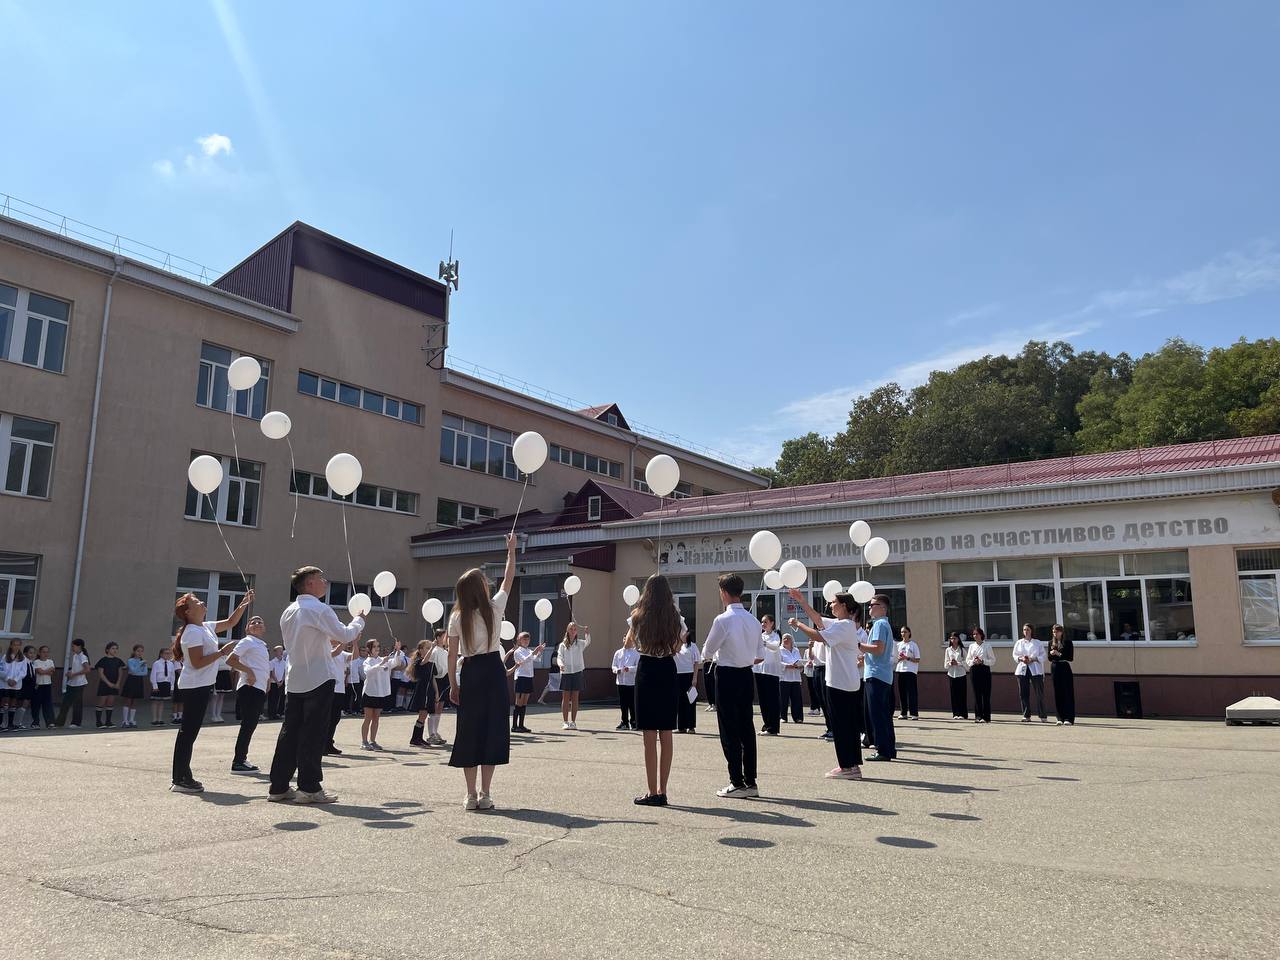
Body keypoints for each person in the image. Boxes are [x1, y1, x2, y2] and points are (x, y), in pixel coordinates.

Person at [268, 568, 364, 804]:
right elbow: (343, 634)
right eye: (321, 579)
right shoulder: (319, 609)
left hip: (296, 679)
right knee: (313, 734)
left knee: (289, 733)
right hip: (318, 678)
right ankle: (309, 788)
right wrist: (359, 621)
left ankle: (278, 786)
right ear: (310, 583)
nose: (325, 582)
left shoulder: (288, 611)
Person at [447, 532, 517, 811]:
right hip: (493, 670)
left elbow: (452, 656)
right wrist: (511, 550)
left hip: (471, 671)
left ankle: (470, 795)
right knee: (493, 730)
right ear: (481, 589)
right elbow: (509, 578)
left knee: (469, 730)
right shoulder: (494, 607)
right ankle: (486, 793)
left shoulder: (456, 617)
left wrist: (453, 685)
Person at [171, 590, 253, 793]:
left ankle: (182, 775)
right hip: (194, 686)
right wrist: (223, 652)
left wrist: (244, 602)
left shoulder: (205, 627)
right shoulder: (191, 632)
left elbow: (231, 622)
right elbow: (198, 663)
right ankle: (180, 778)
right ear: (188, 612)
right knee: (188, 733)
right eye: (196, 601)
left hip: (201, 685)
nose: (202, 602)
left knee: (189, 732)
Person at [701, 573, 765, 799]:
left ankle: (736, 781)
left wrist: (722, 654)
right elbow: (760, 655)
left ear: (725, 593)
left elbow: (707, 651)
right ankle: (751, 781)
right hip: (747, 675)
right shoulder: (754, 620)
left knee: (729, 728)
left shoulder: (723, 620)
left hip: (727, 674)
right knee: (747, 727)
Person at [788, 590, 864, 779]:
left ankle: (847, 767)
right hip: (846, 683)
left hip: (840, 684)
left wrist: (798, 624)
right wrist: (802, 601)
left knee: (841, 726)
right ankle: (852, 765)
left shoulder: (845, 626)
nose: (830, 605)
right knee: (848, 726)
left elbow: (818, 636)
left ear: (844, 605)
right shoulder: (842, 624)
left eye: (833, 602)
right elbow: (819, 620)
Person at [629, 574, 684, 805]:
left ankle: (652, 792)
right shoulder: (676, 617)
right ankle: (663, 790)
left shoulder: (637, 616)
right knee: (667, 733)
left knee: (649, 735)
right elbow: (679, 645)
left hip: (647, 670)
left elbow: (632, 643)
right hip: (668, 670)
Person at [226, 615, 271, 772]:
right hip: (249, 688)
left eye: (260, 622)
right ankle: (238, 761)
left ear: (264, 628)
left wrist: (267, 682)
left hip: (257, 688)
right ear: (247, 628)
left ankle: (241, 759)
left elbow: (262, 666)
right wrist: (249, 671)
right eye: (253, 622)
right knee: (248, 725)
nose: (257, 623)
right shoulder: (247, 641)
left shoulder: (261, 644)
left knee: (250, 725)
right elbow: (231, 660)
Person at [857, 594, 897, 761]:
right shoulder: (883, 624)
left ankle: (882, 750)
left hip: (876, 674)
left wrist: (858, 645)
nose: (870, 607)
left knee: (877, 715)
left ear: (883, 608)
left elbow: (878, 649)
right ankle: (889, 748)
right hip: (883, 674)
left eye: (873, 605)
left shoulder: (880, 624)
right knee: (884, 715)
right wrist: (865, 655)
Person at [360, 639, 405, 750]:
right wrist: (381, 663)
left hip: (381, 693)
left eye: (378, 646)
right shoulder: (367, 661)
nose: (377, 648)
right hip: (370, 692)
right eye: (374, 646)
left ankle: (373, 741)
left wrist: (398, 651)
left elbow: (396, 662)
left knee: (376, 718)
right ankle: (364, 742)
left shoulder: (384, 659)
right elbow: (368, 672)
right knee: (368, 718)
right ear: (369, 649)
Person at [556, 621, 592, 730]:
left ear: (576, 632)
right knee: (566, 698)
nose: (573, 631)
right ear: (567, 630)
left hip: (577, 672)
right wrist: (561, 665)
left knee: (575, 698)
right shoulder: (562, 645)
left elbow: (588, 642)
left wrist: (587, 633)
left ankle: (573, 722)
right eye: (571, 629)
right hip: (566, 673)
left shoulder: (580, 643)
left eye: (575, 629)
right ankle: (565, 722)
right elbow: (559, 657)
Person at [325, 630, 355, 756]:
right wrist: (344, 640)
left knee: (335, 718)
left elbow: (355, 656)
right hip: (328, 688)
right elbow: (335, 652)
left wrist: (355, 642)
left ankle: (328, 743)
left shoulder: (342, 653)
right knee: (326, 718)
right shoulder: (325, 649)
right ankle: (321, 744)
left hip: (340, 689)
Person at [1012, 623, 1048, 723]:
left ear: (1031, 630)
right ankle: (1026, 715)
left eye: (1027, 629)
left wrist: (1034, 659)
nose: (1026, 631)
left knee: (1039, 693)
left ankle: (1042, 715)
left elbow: (1043, 656)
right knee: (1023, 693)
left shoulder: (1037, 643)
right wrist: (1021, 658)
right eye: (1024, 630)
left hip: (1035, 670)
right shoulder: (1019, 642)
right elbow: (1015, 655)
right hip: (1022, 669)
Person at [509, 631, 544, 734]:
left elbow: (536, 659)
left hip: (529, 677)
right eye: (524, 639)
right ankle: (514, 726)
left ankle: (521, 725)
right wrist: (534, 652)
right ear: (519, 640)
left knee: (524, 702)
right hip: (520, 677)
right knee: (518, 702)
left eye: (528, 639)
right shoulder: (517, 651)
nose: (526, 641)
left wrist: (539, 651)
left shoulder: (528, 650)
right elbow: (524, 661)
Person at [755, 615, 783, 735]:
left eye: (765, 622)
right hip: (759, 670)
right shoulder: (760, 636)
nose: (763, 624)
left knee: (772, 700)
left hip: (771, 671)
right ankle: (767, 724)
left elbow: (775, 646)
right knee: (763, 700)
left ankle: (773, 727)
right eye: (762, 622)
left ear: (772, 623)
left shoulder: (775, 635)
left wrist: (764, 643)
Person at [407, 639, 438, 746]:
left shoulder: (431, 663)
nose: (429, 650)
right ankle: (415, 739)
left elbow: (433, 678)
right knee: (422, 715)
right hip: (422, 690)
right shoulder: (419, 661)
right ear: (420, 650)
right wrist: (433, 647)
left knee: (424, 715)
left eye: (430, 648)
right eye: (427, 648)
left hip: (429, 691)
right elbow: (425, 660)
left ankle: (418, 738)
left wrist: (437, 693)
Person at [55, 638, 91, 728]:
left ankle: (76, 723)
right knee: (65, 703)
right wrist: (70, 672)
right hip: (72, 683)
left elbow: (87, 669)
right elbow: (77, 668)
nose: (72, 648)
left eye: (73, 646)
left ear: (79, 646)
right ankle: (59, 722)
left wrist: (74, 674)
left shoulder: (83, 656)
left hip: (79, 683)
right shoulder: (75, 655)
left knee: (77, 703)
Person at [1047, 623, 1076, 725]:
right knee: (1057, 692)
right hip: (1055, 667)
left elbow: (1070, 658)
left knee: (1067, 692)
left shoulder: (1068, 642)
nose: (1055, 634)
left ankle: (1069, 718)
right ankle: (1060, 717)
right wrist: (1051, 654)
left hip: (1064, 667)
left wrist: (1058, 654)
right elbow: (1049, 658)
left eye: (1057, 631)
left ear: (1061, 632)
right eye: (1054, 632)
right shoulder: (1051, 642)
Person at [673, 631, 701, 734]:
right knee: (679, 701)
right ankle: (681, 727)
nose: (682, 635)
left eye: (684, 633)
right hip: (677, 675)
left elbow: (697, 662)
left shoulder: (692, 646)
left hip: (689, 675)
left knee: (690, 700)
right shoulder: (675, 645)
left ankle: (691, 726)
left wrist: (695, 678)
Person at [611, 633, 640, 730]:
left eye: (629, 639)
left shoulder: (636, 653)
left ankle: (634, 721)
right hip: (621, 682)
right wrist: (617, 670)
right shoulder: (618, 653)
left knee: (632, 703)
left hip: (631, 682)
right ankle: (624, 722)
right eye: (625, 638)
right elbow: (613, 666)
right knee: (623, 703)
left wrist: (630, 669)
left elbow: (638, 667)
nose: (627, 640)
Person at [968, 627, 996, 723]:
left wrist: (983, 661)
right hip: (974, 670)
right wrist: (974, 661)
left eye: (977, 634)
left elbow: (993, 660)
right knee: (977, 694)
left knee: (986, 694)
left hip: (984, 670)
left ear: (981, 635)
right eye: (974, 634)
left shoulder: (987, 645)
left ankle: (986, 716)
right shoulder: (971, 646)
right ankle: (978, 716)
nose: (975, 636)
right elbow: (968, 660)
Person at [94, 642, 125, 728]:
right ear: (107, 650)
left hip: (114, 684)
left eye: (116, 648)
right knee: (101, 701)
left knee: (110, 702)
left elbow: (120, 672)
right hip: (105, 684)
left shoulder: (118, 661)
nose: (115, 650)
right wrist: (109, 683)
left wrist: (118, 683)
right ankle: (98, 722)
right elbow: (101, 673)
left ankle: (108, 721)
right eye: (113, 648)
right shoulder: (103, 660)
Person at [426, 630, 449, 744]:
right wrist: (435, 690)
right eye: (445, 636)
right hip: (436, 681)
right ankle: (431, 734)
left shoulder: (445, 652)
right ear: (438, 638)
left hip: (445, 680)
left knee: (440, 708)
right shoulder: (434, 651)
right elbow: (432, 671)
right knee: (434, 708)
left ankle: (435, 731)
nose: (446, 638)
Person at [894, 626, 921, 720]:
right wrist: (899, 659)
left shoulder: (913, 645)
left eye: (905, 632)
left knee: (911, 692)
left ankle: (914, 713)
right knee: (902, 692)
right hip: (900, 670)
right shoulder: (898, 645)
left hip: (910, 671)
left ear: (909, 633)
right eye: (901, 632)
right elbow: (894, 658)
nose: (903, 634)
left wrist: (907, 658)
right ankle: (903, 712)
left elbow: (917, 659)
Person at [120, 645, 149, 728]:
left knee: (135, 701)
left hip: (139, 681)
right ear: (134, 651)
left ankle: (132, 720)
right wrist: (140, 664)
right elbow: (132, 670)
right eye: (138, 651)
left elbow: (145, 673)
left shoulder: (143, 661)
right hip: (131, 680)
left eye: (141, 651)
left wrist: (138, 670)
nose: (140, 653)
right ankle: (125, 721)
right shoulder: (130, 660)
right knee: (128, 700)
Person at [779, 634, 805, 723]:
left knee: (796, 699)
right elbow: (777, 663)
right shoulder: (779, 650)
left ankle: (798, 717)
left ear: (791, 640)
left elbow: (800, 661)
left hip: (795, 678)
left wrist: (799, 665)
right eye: (784, 638)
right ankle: (783, 717)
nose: (785, 640)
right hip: (784, 678)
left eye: (788, 638)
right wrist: (787, 666)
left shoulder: (796, 650)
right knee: (783, 699)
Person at [149, 647, 178, 725]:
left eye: (169, 653)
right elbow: (153, 675)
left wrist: (171, 687)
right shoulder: (157, 663)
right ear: (161, 654)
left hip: (166, 683)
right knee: (155, 701)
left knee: (161, 702)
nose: (168, 655)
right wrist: (155, 686)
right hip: (158, 684)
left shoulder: (171, 664)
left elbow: (172, 676)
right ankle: (154, 719)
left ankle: (160, 719)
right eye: (166, 653)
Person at [944, 632, 969, 720]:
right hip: (952, 674)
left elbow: (967, 664)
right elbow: (945, 665)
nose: (953, 640)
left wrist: (958, 663)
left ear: (958, 639)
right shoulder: (948, 650)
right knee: (953, 695)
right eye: (951, 638)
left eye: (954, 638)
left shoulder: (962, 650)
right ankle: (955, 713)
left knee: (961, 695)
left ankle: (963, 713)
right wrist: (950, 663)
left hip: (961, 674)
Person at [32, 646, 56, 729]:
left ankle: (50, 722)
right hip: (38, 685)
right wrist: (46, 671)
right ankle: (35, 722)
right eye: (43, 652)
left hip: (47, 685)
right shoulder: (36, 662)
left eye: (47, 652)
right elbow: (40, 672)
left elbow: (52, 672)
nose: (45, 654)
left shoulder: (50, 661)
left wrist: (44, 671)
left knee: (48, 704)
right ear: (39, 653)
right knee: (36, 704)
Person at [210, 647, 235, 724]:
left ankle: (218, 715)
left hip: (225, 677)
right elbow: (213, 668)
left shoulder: (227, 658)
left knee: (221, 697)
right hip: (218, 677)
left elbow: (230, 668)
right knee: (215, 697)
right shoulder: (216, 657)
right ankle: (213, 715)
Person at [267, 646, 287, 720]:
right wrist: (277, 681)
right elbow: (272, 673)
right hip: (273, 683)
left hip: (281, 683)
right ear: (275, 652)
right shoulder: (272, 662)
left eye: (282, 650)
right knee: (272, 699)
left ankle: (278, 713)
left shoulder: (284, 662)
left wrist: (281, 681)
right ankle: (271, 714)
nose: (281, 652)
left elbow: (285, 672)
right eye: (279, 651)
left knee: (280, 698)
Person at [344, 645, 364, 716]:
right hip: (348, 681)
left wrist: (363, 678)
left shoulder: (358, 660)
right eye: (350, 649)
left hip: (356, 681)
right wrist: (345, 680)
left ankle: (356, 710)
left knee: (357, 696)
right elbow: (345, 670)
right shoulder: (346, 658)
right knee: (348, 696)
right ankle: (347, 710)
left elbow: (360, 671)